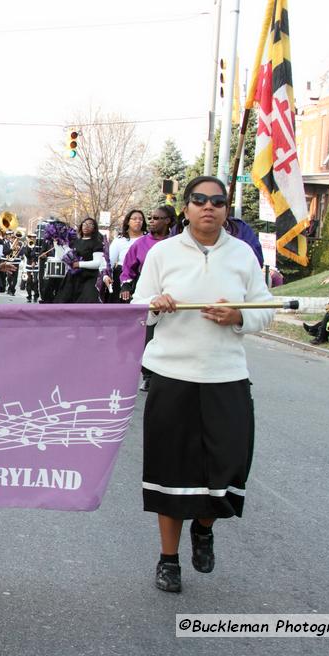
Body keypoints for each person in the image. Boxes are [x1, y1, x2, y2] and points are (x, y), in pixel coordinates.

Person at [132, 175, 274, 594]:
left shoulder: (243, 254)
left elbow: (265, 308)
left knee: (229, 466)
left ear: (226, 208)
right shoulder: (163, 254)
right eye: (199, 200)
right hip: (172, 376)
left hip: (226, 376)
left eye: (217, 200)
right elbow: (139, 310)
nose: (208, 206)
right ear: (187, 208)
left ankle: (205, 528)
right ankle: (168, 559)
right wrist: (154, 306)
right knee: (170, 471)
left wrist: (240, 317)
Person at [121, 205, 174, 392]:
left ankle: (168, 371)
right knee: (148, 335)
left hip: (172, 293)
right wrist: (126, 285)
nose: (151, 221)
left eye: (156, 218)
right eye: (150, 218)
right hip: (148, 291)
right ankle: (148, 375)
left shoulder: (176, 243)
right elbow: (128, 267)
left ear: (168, 221)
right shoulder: (141, 243)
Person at [54, 217, 105, 304]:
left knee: (85, 305)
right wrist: (57, 244)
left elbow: (97, 263)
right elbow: (61, 257)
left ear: (94, 228)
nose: (86, 226)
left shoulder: (97, 243)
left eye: (90, 224)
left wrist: (79, 264)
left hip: (89, 279)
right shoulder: (75, 242)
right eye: (84, 224)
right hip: (72, 278)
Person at [109, 210, 145, 303]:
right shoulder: (119, 240)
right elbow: (110, 261)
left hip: (143, 275)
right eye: (134, 219)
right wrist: (107, 276)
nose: (138, 221)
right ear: (128, 221)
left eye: (141, 219)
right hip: (122, 275)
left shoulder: (147, 238)